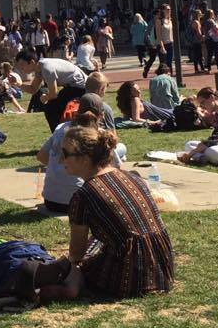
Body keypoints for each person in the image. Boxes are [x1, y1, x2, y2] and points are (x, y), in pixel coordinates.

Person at [38, 116, 174, 301]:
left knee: (79, 259)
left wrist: (73, 267)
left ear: (85, 159)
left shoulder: (84, 195)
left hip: (128, 274)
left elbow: (76, 252)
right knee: (97, 241)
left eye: (66, 153)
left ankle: (72, 284)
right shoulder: (131, 176)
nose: (61, 159)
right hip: (161, 266)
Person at [36, 94, 122, 214]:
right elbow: (116, 168)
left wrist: (59, 169)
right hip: (81, 202)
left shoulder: (61, 128)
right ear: (101, 115)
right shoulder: (99, 135)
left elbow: (41, 156)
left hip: (51, 201)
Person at [16, 49, 87, 131]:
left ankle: (59, 135)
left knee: (51, 109)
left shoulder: (46, 68)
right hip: (72, 87)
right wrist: (18, 84)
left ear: (31, 62)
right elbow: (33, 89)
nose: (21, 68)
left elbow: (53, 94)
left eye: (22, 65)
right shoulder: (40, 67)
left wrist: (45, 97)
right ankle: (60, 134)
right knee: (52, 108)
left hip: (80, 87)